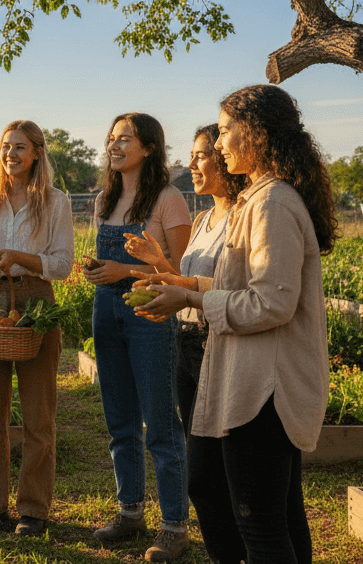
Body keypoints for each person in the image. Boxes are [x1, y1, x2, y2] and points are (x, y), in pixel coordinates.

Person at [134, 84, 336, 563]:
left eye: (225, 131)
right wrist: (183, 292)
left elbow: (271, 303)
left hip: (268, 388)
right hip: (249, 378)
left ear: (256, 134)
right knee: (262, 508)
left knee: (262, 523)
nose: (220, 145)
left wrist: (191, 297)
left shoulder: (272, 204)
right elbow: (234, 284)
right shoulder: (258, 199)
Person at [123, 123, 248, 564]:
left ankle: (237, 550)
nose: (191, 164)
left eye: (201, 155)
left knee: (221, 470)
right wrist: (157, 264)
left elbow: (241, 288)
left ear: (225, 158)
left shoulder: (244, 217)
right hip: (188, 343)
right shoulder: (203, 219)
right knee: (202, 469)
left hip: (222, 343)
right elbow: (189, 278)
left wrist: (183, 291)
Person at [81, 112, 192, 562]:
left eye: (124, 138)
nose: (114, 144)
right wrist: (97, 270)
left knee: (160, 426)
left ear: (148, 147)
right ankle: (129, 512)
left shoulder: (169, 200)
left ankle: (173, 525)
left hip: (150, 312)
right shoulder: (105, 200)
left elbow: (183, 274)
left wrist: (125, 270)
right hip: (105, 311)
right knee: (119, 420)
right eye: (111, 137)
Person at [0, 120, 73, 537]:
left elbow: (62, 265)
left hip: (35, 302)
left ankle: (34, 508)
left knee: (37, 413)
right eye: (6, 147)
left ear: (37, 153)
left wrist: (22, 258)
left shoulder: (56, 201)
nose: (11, 154)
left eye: (20, 147)